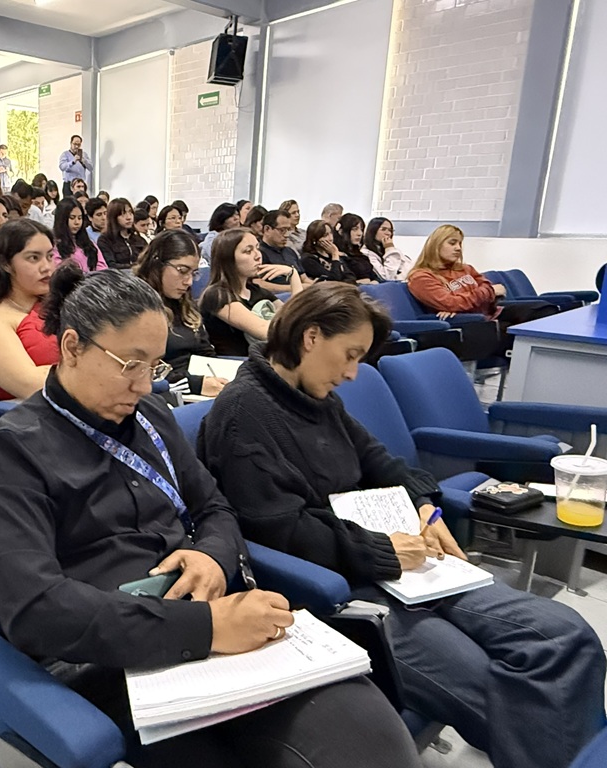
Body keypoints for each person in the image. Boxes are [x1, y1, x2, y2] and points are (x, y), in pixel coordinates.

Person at [0, 267, 423, 768]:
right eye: (130, 364)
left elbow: (216, 508)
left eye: (155, 367)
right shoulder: (14, 450)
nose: (145, 385)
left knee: (369, 737)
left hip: (215, 627)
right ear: (73, 346)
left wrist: (211, 553)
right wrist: (204, 627)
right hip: (113, 658)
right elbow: (34, 607)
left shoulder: (152, 418)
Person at [199, 282, 607, 768]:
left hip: (397, 562)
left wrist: (426, 507)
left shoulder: (318, 398)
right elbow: (278, 531)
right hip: (341, 584)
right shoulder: (244, 415)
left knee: (564, 633)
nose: (353, 373)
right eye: (349, 355)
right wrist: (383, 552)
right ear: (310, 337)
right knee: (489, 682)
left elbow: (378, 459)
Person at [407, 225, 556, 352]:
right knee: (523, 335)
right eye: (452, 243)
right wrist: (488, 293)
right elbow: (452, 303)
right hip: (469, 325)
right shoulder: (421, 277)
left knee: (544, 310)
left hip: (491, 312)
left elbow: (483, 286)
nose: (458, 248)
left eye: (460, 243)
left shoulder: (465, 268)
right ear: (436, 245)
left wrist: (463, 302)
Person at [0, 218, 59, 400]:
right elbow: (32, 386)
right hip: (36, 419)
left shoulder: (59, 304)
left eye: (49, 256)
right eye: (34, 258)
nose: (47, 267)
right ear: (5, 263)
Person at [134, 229, 227, 398]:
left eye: (193, 273)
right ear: (157, 264)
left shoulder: (182, 302)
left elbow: (205, 351)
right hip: (167, 393)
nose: (189, 281)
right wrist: (196, 384)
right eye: (182, 270)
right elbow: (144, 370)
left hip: (199, 388)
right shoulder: (137, 305)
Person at [200, 228, 301, 356]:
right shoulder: (217, 295)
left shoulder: (257, 291)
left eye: (257, 248)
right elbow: (265, 331)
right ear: (228, 259)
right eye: (248, 251)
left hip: (264, 359)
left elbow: (296, 316)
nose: (258, 256)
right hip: (235, 364)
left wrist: (293, 275)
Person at [252, 208, 311, 293]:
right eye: (282, 230)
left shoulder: (290, 251)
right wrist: (295, 287)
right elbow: (258, 283)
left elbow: (304, 278)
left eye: (288, 230)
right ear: (267, 229)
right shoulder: (258, 254)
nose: (287, 235)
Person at [52, 198, 106, 273]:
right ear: (62, 219)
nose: (77, 222)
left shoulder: (89, 244)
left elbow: (102, 268)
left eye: (80, 218)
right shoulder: (54, 245)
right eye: (72, 218)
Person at [98, 198, 146, 270]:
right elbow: (111, 265)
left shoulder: (139, 239)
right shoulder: (105, 240)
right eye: (123, 214)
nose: (128, 217)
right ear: (113, 217)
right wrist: (135, 267)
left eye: (130, 212)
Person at [334, 213, 379, 284]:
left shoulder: (361, 256)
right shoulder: (337, 255)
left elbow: (374, 276)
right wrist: (361, 282)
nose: (360, 233)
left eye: (361, 229)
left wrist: (374, 281)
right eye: (355, 229)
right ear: (341, 232)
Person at [363, 217, 411, 281]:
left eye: (390, 230)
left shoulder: (392, 249)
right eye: (383, 229)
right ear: (373, 231)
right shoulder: (366, 253)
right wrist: (390, 249)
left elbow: (409, 268)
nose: (388, 233)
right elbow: (387, 277)